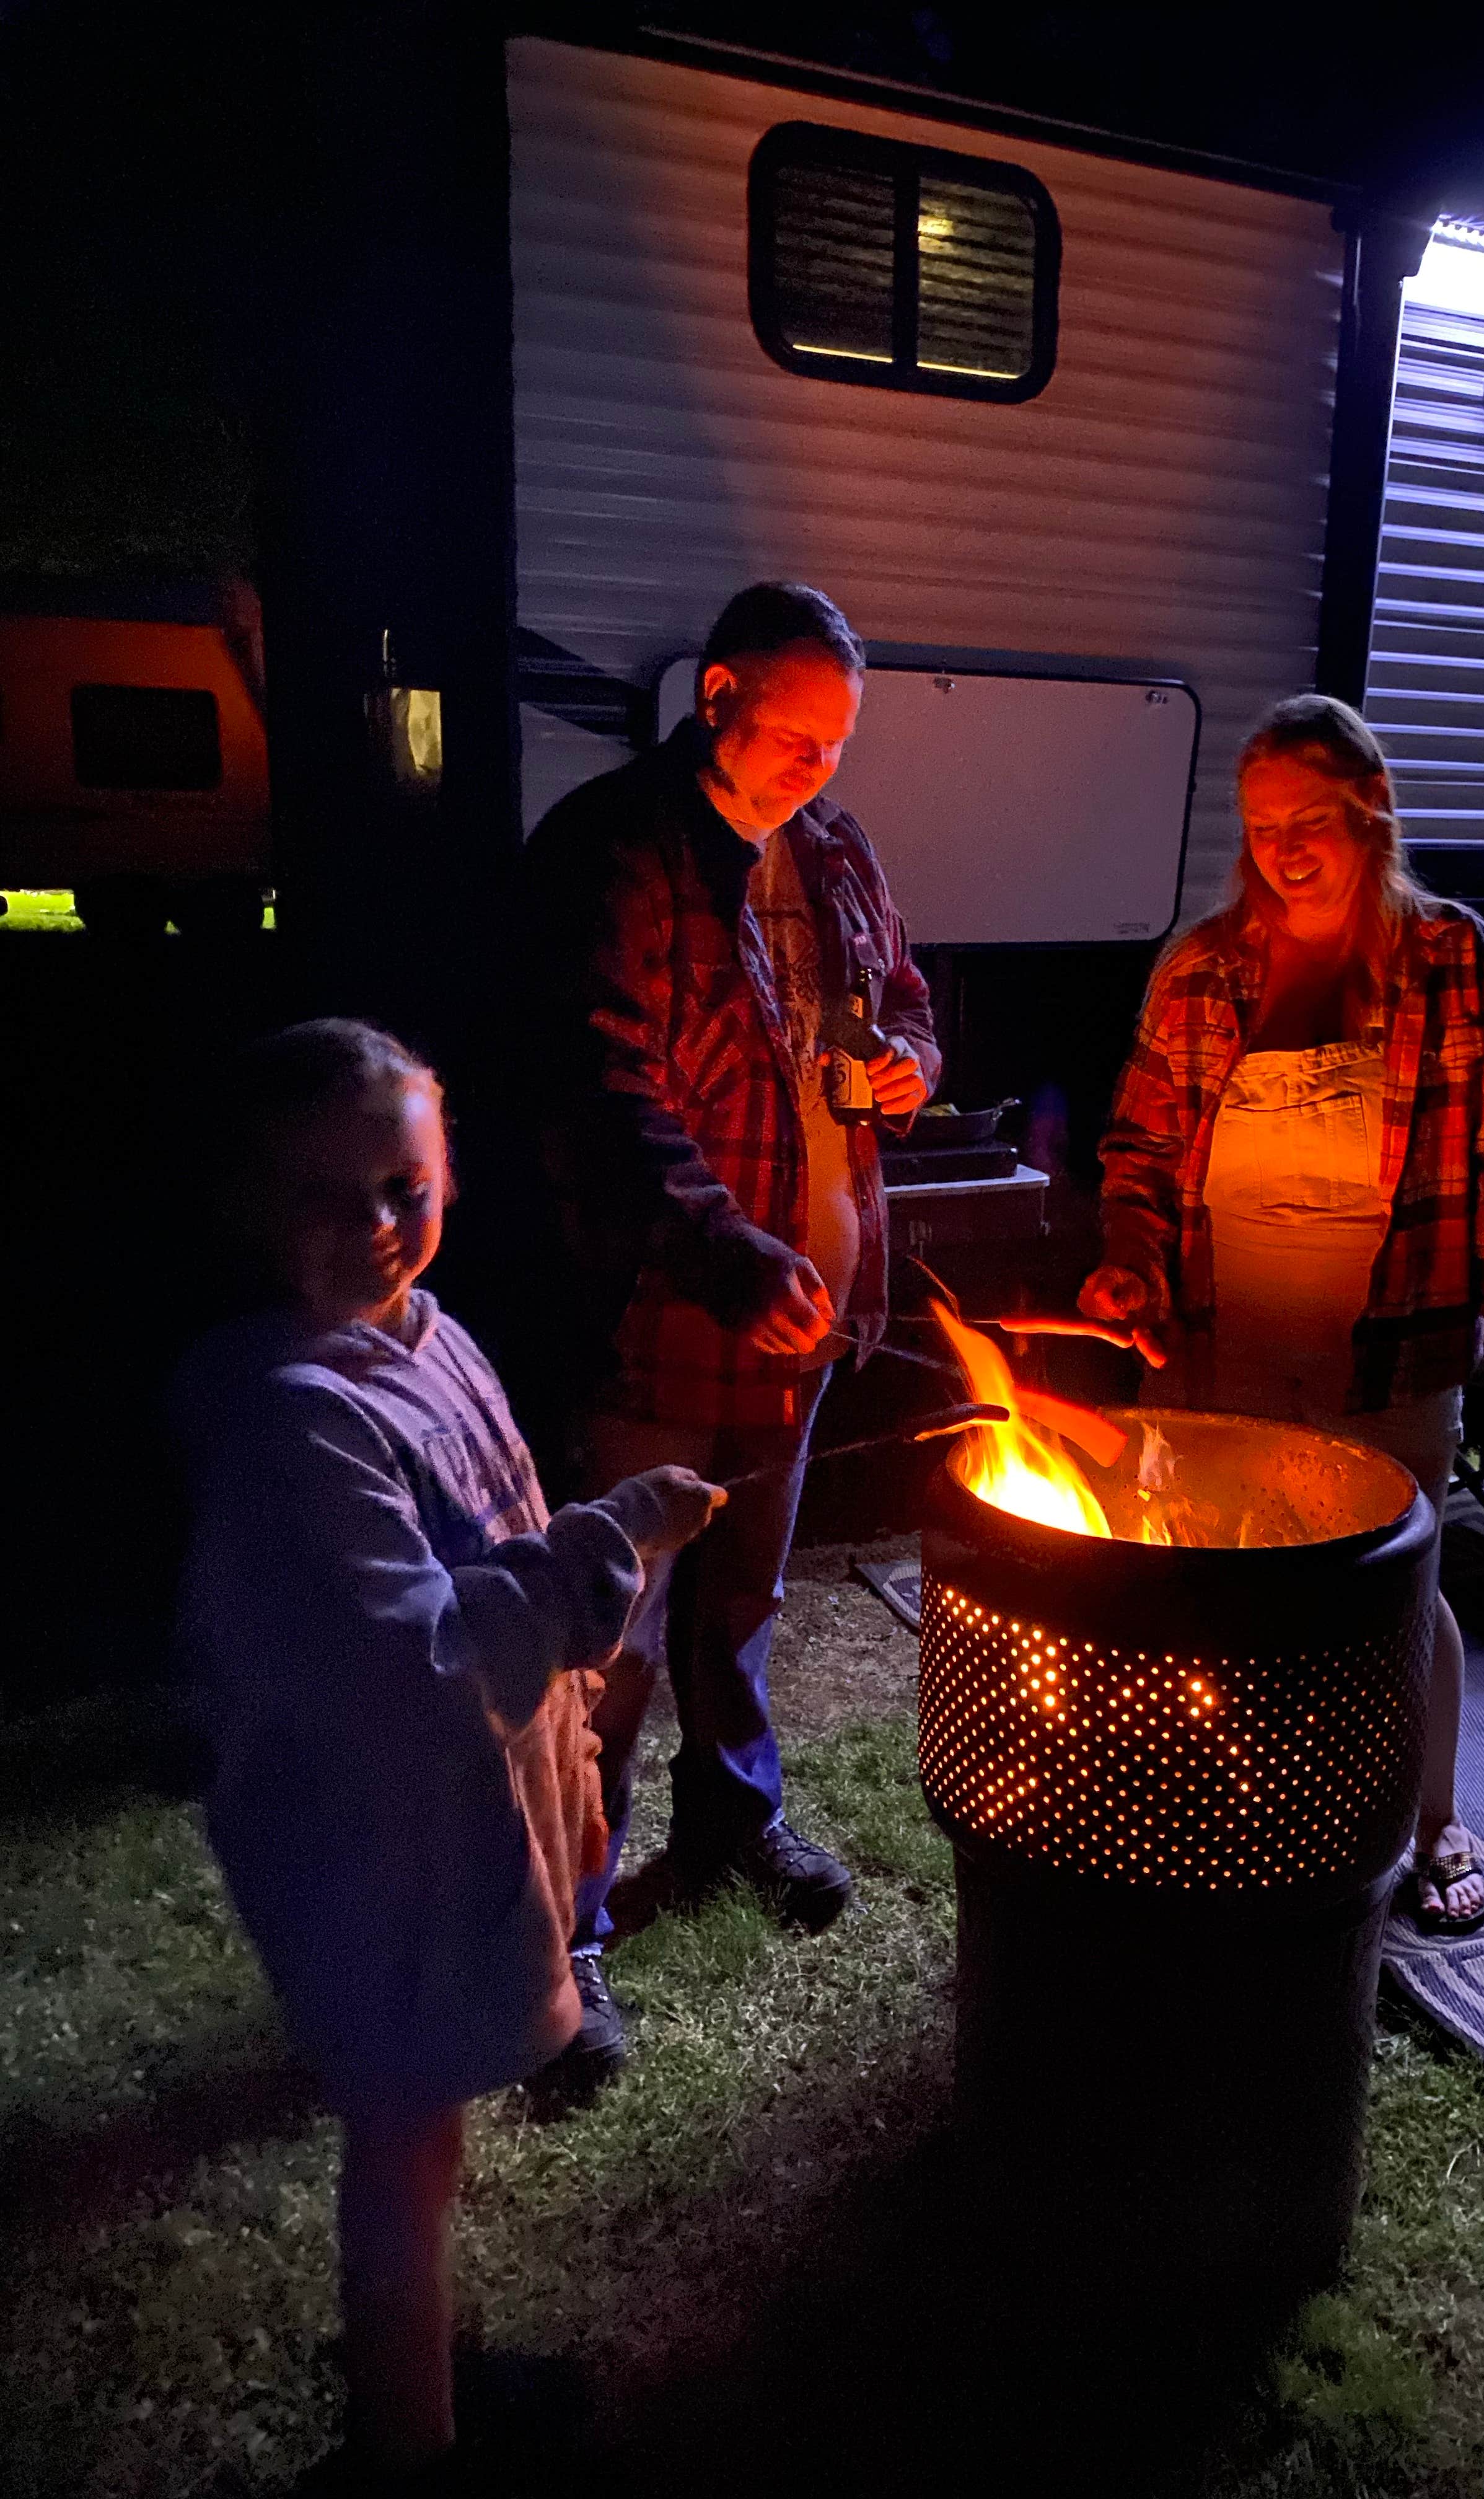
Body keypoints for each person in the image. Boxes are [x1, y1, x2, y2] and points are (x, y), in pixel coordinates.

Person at [170, 1019, 722, 2481]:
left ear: (450, 1178)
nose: (376, 1225)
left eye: (405, 1188)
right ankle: (402, 2442)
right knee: (405, 2142)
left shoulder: (433, 1333)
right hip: (373, 1859)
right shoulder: (292, 1424)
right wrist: (609, 1544)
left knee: (429, 2137)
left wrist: (574, 1772)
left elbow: (505, 1539)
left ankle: (423, 2375)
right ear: (249, 1206)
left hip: (464, 1823)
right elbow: (419, 1665)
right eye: (325, 1197)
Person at [1079, 695, 1484, 1937]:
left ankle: (1431, 1821)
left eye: (1309, 821)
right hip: (1215, 1348)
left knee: (1392, 1590)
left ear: (1372, 810)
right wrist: (1131, 1260)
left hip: (1390, 1351)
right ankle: (1236, 1810)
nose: (1284, 850)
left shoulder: (1456, 963)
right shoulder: (1203, 967)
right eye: (1262, 827)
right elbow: (1139, 1152)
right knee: (1216, 1587)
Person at [523, 582, 940, 1938]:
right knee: (617, 1628)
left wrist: (907, 1064)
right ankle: (570, 1917)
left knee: (742, 1600)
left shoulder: (835, 851)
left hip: (804, 1312)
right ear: (716, 700)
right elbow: (602, 1092)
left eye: (839, 742)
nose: (821, 767)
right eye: (797, 737)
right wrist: (729, 1253)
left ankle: (733, 1823)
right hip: (664, 1320)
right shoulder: (617, 851)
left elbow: (907, 1002)